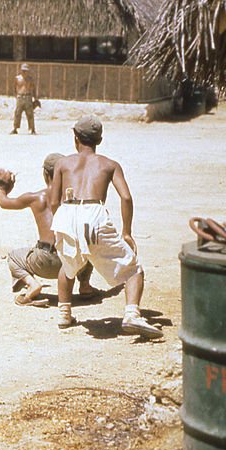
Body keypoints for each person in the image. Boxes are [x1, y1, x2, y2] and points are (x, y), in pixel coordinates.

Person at [48, 115, 163, 339]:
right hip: (94, 213)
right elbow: (126, 198)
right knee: (133, 268)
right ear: (98, 141)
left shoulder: (62, 163)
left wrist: (63, 224)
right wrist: (126, 231)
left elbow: (54, 202)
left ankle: (64, 314)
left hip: (67, 212)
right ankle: (131, 313)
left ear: (76, 138)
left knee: (68, 264)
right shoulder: (110, 164)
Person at [0, 154, 95, 306]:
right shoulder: (76, 198)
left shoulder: (36, 197)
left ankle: (32, 284)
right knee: (87, 246)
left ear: (45, 174)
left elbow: (4, 202)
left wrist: (0, 189)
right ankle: (85, 285)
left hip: (43, 261)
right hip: (71, 262)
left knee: (13, 257)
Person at [10, 63, 39, 135]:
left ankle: (32, 129)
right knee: (17, 113)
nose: (24, 72)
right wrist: (16, 96)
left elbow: (33, 88)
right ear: (21, 70)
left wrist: (35, 98)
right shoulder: (17, 78)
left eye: (26, 71)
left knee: (30, 114)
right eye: (23, 70)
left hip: (28, 97)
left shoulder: (30, 79)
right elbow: (14, 87)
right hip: (20, 97)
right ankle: (15, 128)